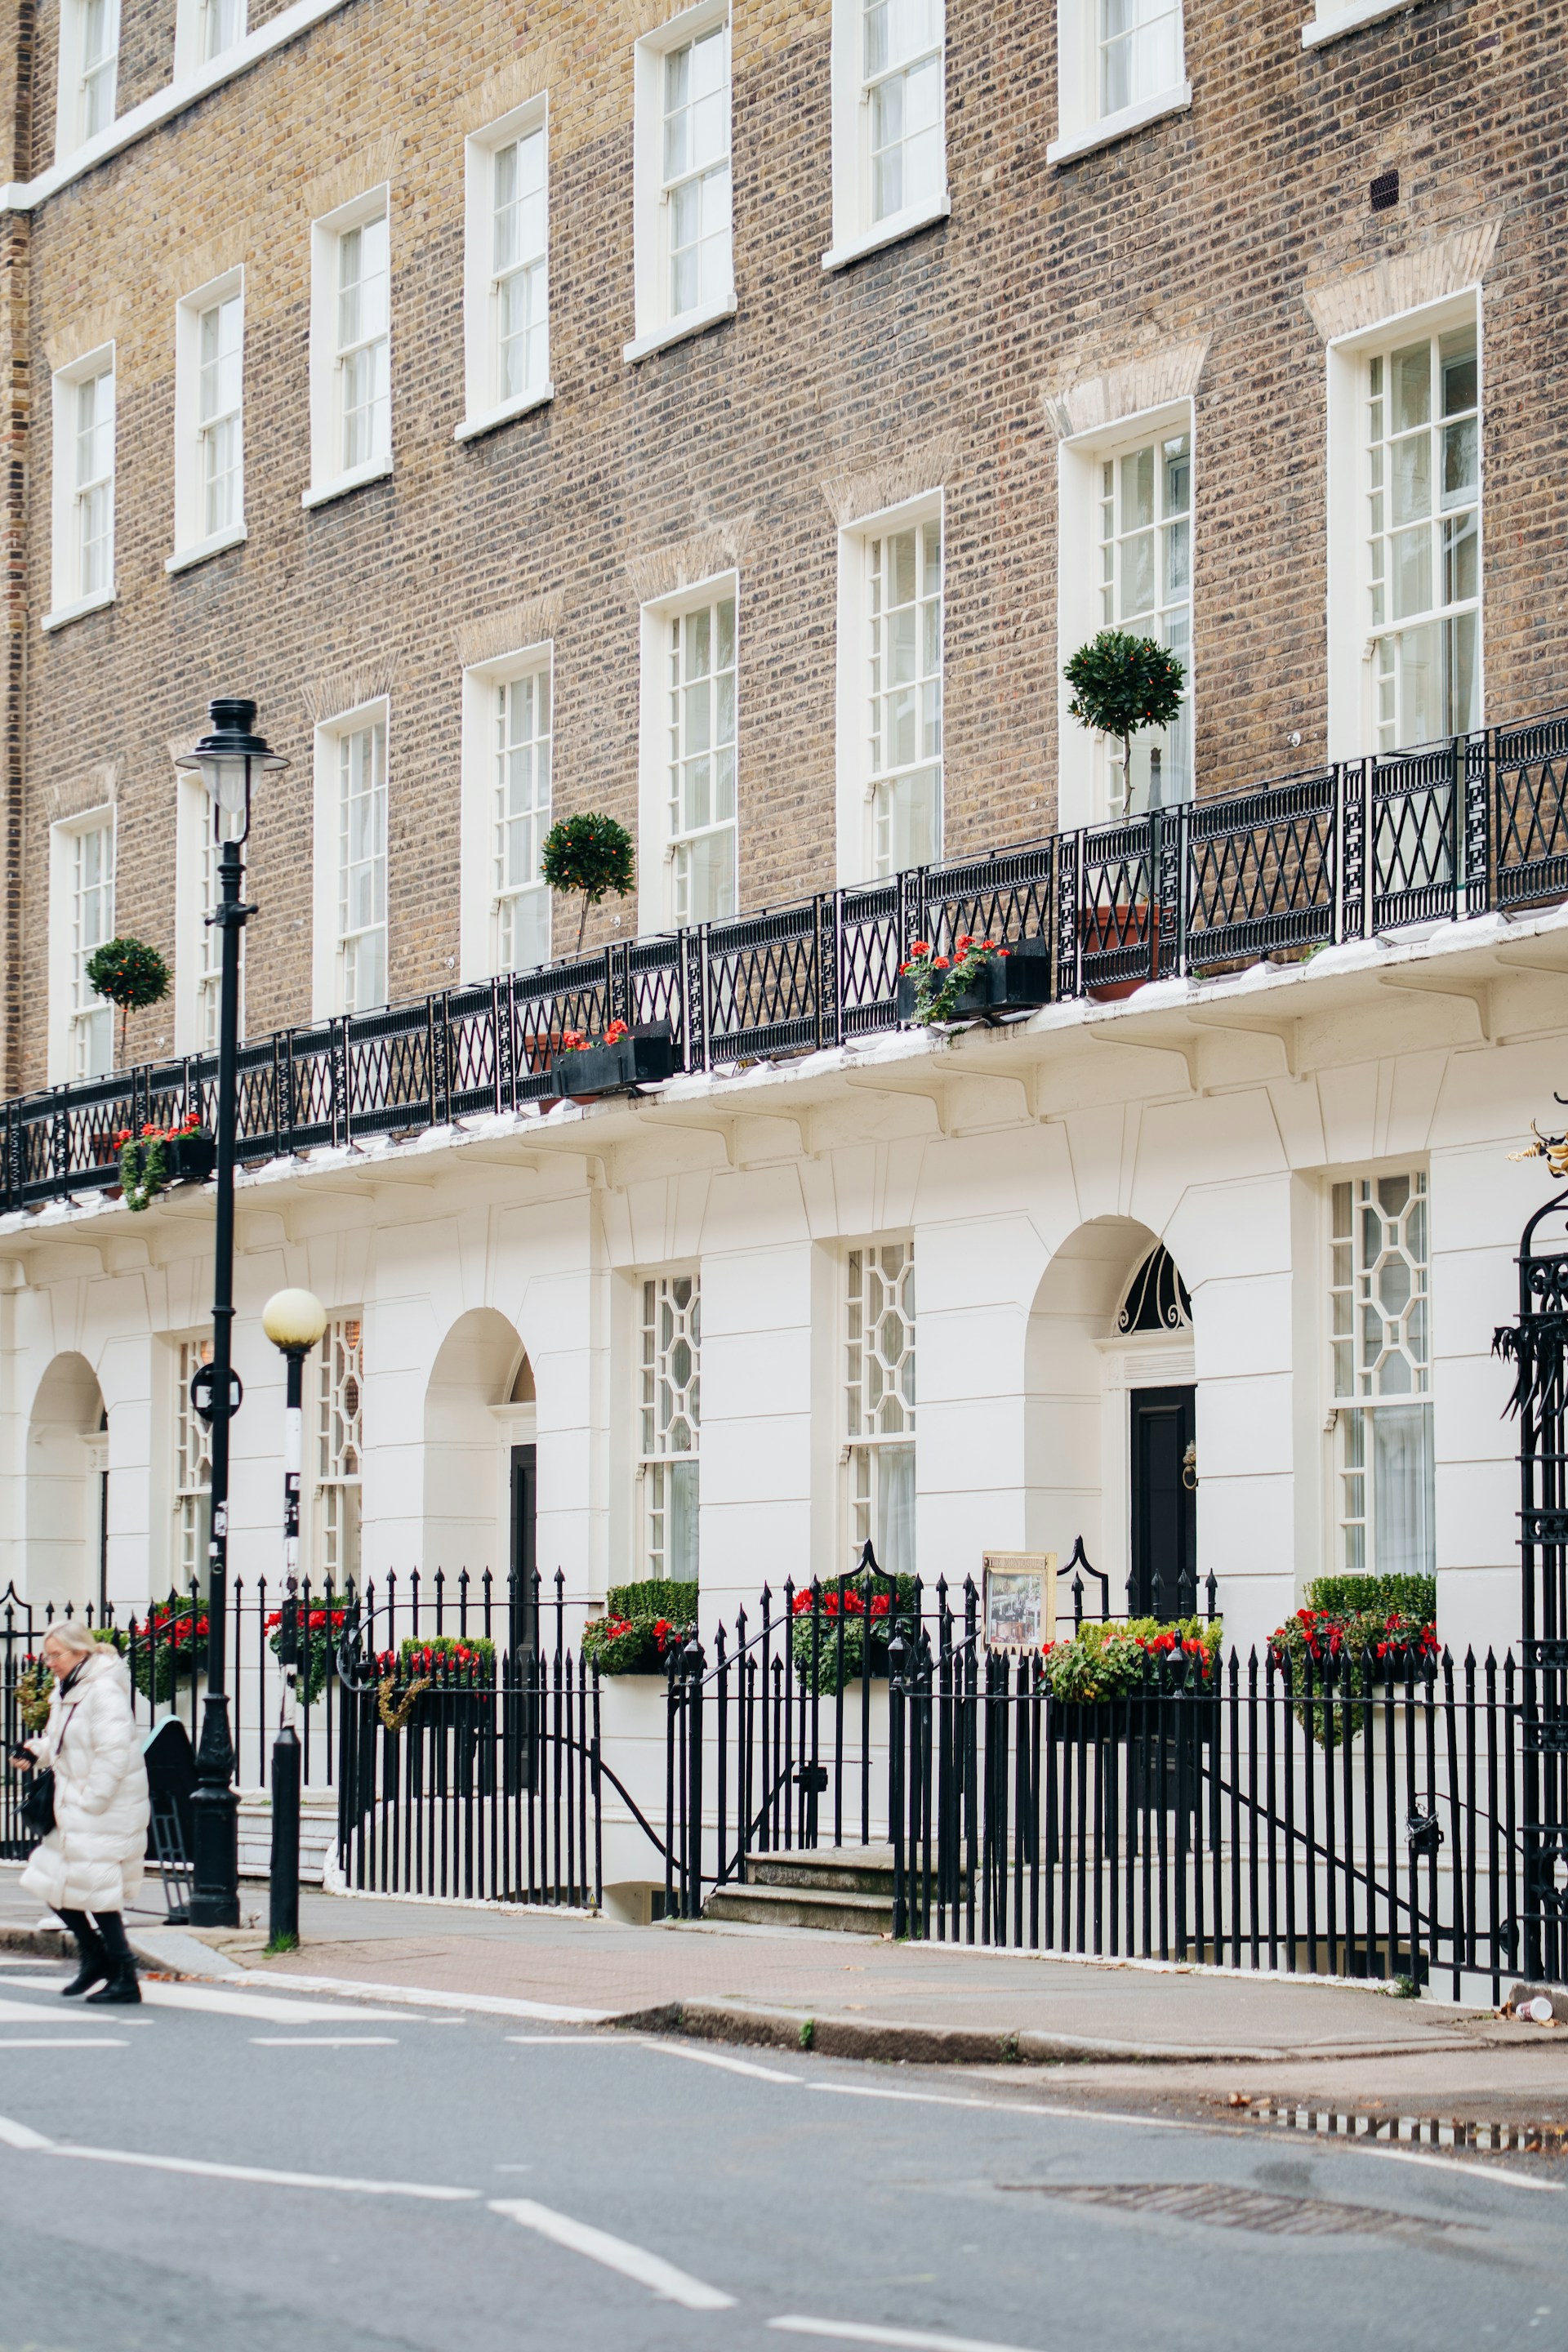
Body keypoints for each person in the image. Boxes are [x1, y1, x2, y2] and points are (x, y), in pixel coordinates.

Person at [13, 1619, 150, 2005]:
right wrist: (34, 1751)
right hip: (76, 1806)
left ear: (79, 1652)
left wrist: (92, 1801)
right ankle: (96, 1958)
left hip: (103, 1809)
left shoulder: (102, 1690)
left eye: (56, 1655)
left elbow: (113, 1753)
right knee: (49, 1881)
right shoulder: (69, 1688)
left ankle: (124, 1975)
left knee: (100, 1895)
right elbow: (64, 1743)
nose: (50, 1662)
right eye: (48, 1655)